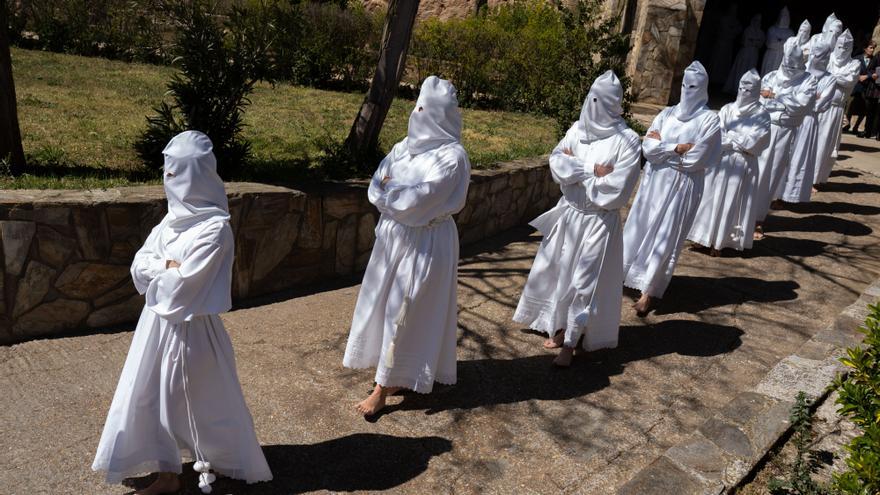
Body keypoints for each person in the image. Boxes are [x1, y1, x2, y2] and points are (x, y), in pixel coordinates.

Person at [92, 131, 272, 495]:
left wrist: (163, 269)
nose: (167, 181)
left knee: (197, 399)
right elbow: (138, 267)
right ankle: (167, 472)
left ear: (196, 174)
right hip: (155, 327)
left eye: (176, 173)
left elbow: (180, 290)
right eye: (166, 172)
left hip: (193, 332)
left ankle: (216, 458)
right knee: (150, 396)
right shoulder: (171, 221)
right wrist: (168, 265)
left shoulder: (214, 228)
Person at [342, 76, 470, 416]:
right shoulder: (404, 146)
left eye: (425, 110)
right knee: (385, 304)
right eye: (416, 107)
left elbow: (419, 200)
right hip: (394, 238)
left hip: (426, 243)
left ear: (441, 116)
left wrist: (393, 192)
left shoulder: (452, 157)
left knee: (405, 308)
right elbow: (376, 186)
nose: (417, 114)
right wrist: (396, 194)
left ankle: (382, 389)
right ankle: (395, 373)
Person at [512, 71, 641, 367]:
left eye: (599, 101)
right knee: (559, 273)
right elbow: (558, 164)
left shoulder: (628, 141)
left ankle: (571, 341)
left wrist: (576, 169)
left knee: (585, 281)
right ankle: (558, 326)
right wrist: (590, 170)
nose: (591, 105)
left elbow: (617, 190)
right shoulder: (576, 129)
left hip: (598, 221)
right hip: (570, 215)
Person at [622, 61, 721, 315]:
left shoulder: (710, 119)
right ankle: (623, 273)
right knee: (639, 227)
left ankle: (648, 291)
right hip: (654, 182)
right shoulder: (666, 114)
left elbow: (696, 159)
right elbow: (648, 149)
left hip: (683, 186)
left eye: (694, 86)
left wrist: (663, 147)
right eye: (685, 84)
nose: (688, 90)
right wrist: (675, 148)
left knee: (666, 235)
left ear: (703, 88)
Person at [688, 69, 771, 254]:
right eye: (741, 88)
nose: (743, 92)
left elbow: (754, 141)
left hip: (743, 164)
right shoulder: (727, 109)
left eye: (748, 90)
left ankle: (722, 241)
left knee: (731, 201)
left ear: (756, 91)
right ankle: (703, 237)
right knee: (711, 198)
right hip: (722, 160)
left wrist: (732, 138)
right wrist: (738, 139)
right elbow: (717, 135)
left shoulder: (762, 115)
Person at [753, 37, 815, 238]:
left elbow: (802, 105)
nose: (789, 69)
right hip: (763, 127)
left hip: (784, 132)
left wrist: (775, 96)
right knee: (754, 172)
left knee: (770, 175)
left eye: (793, 66)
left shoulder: (808, 80)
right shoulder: (771, 76)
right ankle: (741, 213)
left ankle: (758, 218)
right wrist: (783, 101)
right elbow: (758, 100)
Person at [781, 38, 833, 204]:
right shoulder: (801, 74)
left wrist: (802, 99)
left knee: (799, 157)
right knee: (784, 155)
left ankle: (790, 194)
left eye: (822, 55)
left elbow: (821, 103)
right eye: (815, 54)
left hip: (809, 121)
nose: (818, 58)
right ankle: (776, 192)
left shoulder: (829, 79)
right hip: (792, 119)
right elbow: (788, 95)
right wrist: (806, 98)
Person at [815, 29, 861, 186]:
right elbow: (817, 73)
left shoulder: (854, 64)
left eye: (845, 47)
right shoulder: (828, 58)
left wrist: (831, 75)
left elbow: (849, 80)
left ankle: (817, 178)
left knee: (825, 144)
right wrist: (835, 77)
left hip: (835, 110)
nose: (842, 50)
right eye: (840, 46)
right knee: (812, 140)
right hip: (819, 105)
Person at [725, 14, 765, 94]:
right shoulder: (748, 30)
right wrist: (754, 41)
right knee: (741, 69)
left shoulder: (761, 32)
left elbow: (761, 43)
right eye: (756, 21)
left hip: (754, 54)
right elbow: (746, 41)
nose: (757, 23)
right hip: (745, 52)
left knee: (750, 71)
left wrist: (753, 41)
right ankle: (737, 87)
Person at [845, 40, 876, 134]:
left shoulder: (875, 60)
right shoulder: (856, 59)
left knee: (864, 108)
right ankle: (847, 124)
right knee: (849, 106)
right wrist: (857, 76)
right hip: (855, 86)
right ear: (865, 49)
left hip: (867, 87)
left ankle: (856, 127)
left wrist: (867, 76)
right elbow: (850, 70)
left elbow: (876, 72)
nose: (872, 50)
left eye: (873, 48)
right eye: (871, 48)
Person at [709, 5, 742, 86]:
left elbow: (738, 29)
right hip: (721, 42)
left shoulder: (735, 21)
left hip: (728, 44)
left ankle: (720, 80)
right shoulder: (724, 19)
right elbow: (723, 29)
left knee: (724, 63)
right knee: (717, 61)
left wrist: (732, 30)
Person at [762, 7, 794, 77]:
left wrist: (779, 41)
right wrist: (784, 42)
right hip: (771, 56)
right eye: (783, 16)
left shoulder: (790, 33)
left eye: (786, 16)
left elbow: (790, 46)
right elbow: (771, 44)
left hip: (782, 58)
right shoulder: (772, 29)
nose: (784, 18)